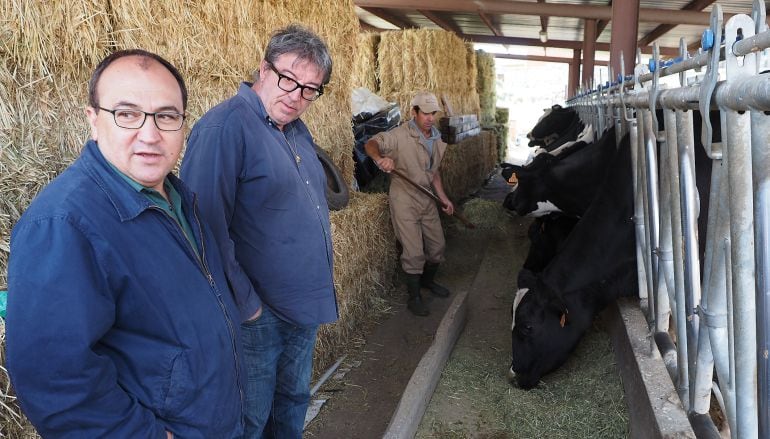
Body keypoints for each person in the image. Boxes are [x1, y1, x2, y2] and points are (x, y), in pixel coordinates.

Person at [5, 50, 245, 438]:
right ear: (93, 121)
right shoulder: (63, 224)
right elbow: (55, 380)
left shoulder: (178, 198)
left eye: (166, 116)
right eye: (127, 114)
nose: (150, 135)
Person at [180, 24, 338, 438]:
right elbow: (204, 226)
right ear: (263, 69)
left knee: (291, 405)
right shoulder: (224, 128)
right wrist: (248, 305)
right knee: (249, 418)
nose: (296, 96)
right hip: (257, 314)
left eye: (310, 89)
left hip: (301, 307)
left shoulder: (296, 131)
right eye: (288, 79)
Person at [364, 91, 454, 317]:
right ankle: (414, 297)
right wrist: (379, 158)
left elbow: (432, 174)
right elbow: (371, 143)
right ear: (414, 112)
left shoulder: (437, 138)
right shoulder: (399, 136)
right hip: (404, 199)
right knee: (414, 253)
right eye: (425, 113)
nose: (430, 118)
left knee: (437, 248)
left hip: (427, 198)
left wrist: (443, 198)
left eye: (433, 113)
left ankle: (427, 282)